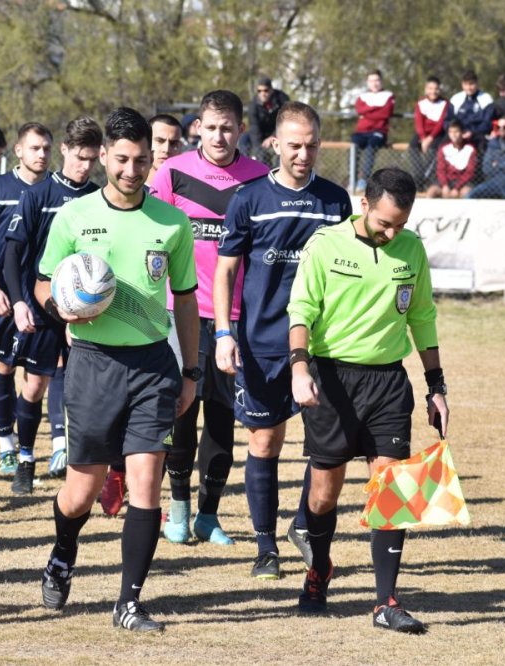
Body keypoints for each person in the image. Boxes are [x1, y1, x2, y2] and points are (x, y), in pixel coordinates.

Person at [36, 107, 198, 633]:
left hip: (153, 363)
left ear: (153, 159)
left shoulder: (172, 223)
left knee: (146, 482)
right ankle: (63, 553)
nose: (132, 169)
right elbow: (42, 284)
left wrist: (190, 369)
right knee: (83, 489)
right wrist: (60, 305)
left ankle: (128, 602)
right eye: (122, 159)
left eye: (142, 160)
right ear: (104, 156)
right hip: (91, 362)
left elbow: (187, 300)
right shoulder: (73, 217)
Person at [287, 166, 449, 634]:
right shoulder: (325, 245)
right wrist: (299, 368)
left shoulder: (411, 249)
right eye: (385, 223)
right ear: (365, 204)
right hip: (331, 380)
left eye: (400, 224)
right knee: (323, 495)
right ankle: (318, 570)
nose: (392, 232)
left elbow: (421, 316)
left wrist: (436, 386)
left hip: (387, 384)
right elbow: (301, 310)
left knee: (393, 491)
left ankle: (386, 602)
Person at [215, 102, 352, 579]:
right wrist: (223, 332)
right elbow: (226, 269)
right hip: (261, 343)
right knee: (266, 441)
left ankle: (302, 526)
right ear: (275, 143)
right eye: (294, 144)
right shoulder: (249, 198)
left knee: (327, 448)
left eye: (312, 144)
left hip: (321, 345)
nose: (304, 153)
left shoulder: (336, 200)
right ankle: (265, 547)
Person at [148, 90, 269, 546]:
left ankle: (209, 514)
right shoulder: (172, 173)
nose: (218, 136)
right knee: (182, 411)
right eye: (210, 127)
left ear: (241, 129)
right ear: (197, 126)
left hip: (239, 321)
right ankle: (177, 507)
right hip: (184, 314)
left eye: (227, 128)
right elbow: (154, 236)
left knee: (223, 418)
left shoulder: (260, 178)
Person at [2, 116, 102, 493]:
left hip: (86, 311)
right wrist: (17, 302)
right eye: (78, 157)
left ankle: (78, 463)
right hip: (42, 308)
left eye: (91, 159)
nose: (84, 166)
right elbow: (13, 252)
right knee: (35, 385)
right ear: (63, 150)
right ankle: (25, 460)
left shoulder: (97, 199)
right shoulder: (38, 196)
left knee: (85, 389)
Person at [0, 122, 52, 474]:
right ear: (18, 151)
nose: (42, 155)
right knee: (3, 367)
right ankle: (6, 445)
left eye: (47, 148)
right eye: (35, 148)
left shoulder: (58, 190)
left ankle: (36, 446)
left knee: (39, 378)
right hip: (4, 297)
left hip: (45, 296)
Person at [351, 70, 394, 192]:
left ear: (381, 81)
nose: (374, 83)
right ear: (367, 82)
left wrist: (367, 112)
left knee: (371, 147)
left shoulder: (388, 95)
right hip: (362, 131)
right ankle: (352, 179)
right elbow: (359, 109)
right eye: (371, 80)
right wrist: (376, 110)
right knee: (354, 146)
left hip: (379, 131)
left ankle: (363, 180)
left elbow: (386, 113)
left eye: (377, 80)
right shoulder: (362, 96)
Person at [408, 76, 452, 190]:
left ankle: (427, 179)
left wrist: (429, 139)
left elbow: (440, 123)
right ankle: (418, 176)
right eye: (430, 88)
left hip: (437, 134)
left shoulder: (445, 103)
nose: (433, 91)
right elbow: (418, 122)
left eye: (436, 88)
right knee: (412, 146)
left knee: (433, 150)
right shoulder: (421, 102)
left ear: (439, 90)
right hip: (423, 134)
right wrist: (423, 138)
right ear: (426, 89)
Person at [467, 116, 505, 200]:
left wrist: (497, 164)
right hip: (493, 181)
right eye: (498, 127)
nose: (501, 129)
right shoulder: (492, 144)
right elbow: (486, 168)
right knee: (470, 195)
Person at [426, 120, 476, 199]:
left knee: (467, 193)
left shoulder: (470, 149)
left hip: (463, 183)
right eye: (451, 132)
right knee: (431, 192)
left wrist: (457, 188)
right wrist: (445, 185)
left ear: (462, 133)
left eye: (456, 132)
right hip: (446, 181)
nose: (453, 135)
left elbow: (469, 172)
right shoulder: (444, 149)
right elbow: (440, 170)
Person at [246, 76, 290, 163]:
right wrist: (258, 148)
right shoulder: (253, 105)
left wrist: (273, 136)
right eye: (259, 91)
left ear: (271, 90)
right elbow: (254, 127)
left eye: (265, 90)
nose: (263, 93)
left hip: (278, 134)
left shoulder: (282, 100)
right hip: (260, 136)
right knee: (243, 141)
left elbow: (285, 122)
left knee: (281, 152)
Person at [450, 70, 494, 152]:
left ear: (477, 83)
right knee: (442, 145)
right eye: (466, 84)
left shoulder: (486, 99)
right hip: (458, 134)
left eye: (471, 84)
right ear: (462, 84)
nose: (469, 88)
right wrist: (456, 132)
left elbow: (487, 123)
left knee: (482, 145)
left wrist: (472, 132)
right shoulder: (456, 99)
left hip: (478, 135)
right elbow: (448, 120)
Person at [147, 114, 183, 182]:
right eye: (160, 141)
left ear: (180, 147)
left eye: (173, 143)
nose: (166, 149)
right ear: (146, 142)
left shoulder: (187, 189)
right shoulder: (131, 189)